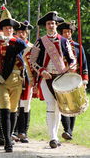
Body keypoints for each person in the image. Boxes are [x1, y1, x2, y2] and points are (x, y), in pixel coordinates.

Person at [30, 11, 76, 148]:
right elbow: (32, 61)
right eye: (48, 24)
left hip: (61, 78)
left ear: (56, 25)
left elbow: (72, 59)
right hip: (47, 78)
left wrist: (70, 68)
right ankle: (53, 137)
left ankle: (55, 136)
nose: (51, 26)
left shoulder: (64, 41)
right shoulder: (40, 41)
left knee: (59, 107)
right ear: (46, 26)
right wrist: (42, 71)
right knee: (51, 105)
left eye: (53, 23)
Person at [0, 6, 27, 152]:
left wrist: (10, 40)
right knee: (4, 109)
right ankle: (7, 141)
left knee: (14, 110)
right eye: (6, 28)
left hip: (16, 79)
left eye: (10, 28)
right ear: (2, 29)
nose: (8, 30)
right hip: (2, 80)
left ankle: (9, 134)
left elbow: (23, 45)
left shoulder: (17, 42)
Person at [57, 21, 88, 140]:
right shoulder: (57, 46)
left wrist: (84, 80)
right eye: (65, 32)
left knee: (74, 104)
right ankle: (67, 130)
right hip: (62, 78)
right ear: (61, 33)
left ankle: (69, 131)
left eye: (69, 32)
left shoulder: (77, 47)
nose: (67, 34)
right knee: (64, 103)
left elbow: (83, 65)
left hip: (74, 78)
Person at [14, 21, 34, 143]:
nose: (21, 34)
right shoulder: (13, 45)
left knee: (25, 105)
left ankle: (23, 132)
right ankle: (14, 131)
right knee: (14, 104)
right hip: (15, 77)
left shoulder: (31, 47)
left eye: (24, 32)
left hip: (27, 78)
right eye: (19, 32)